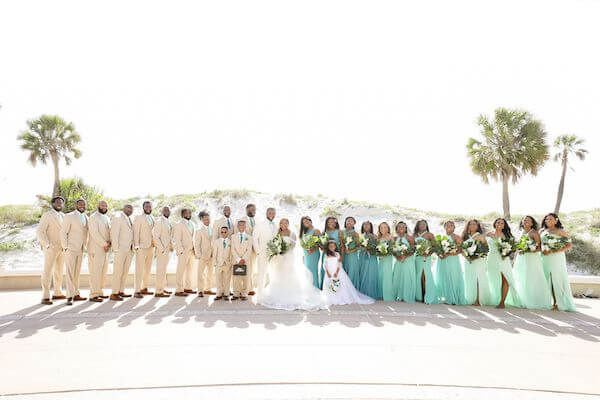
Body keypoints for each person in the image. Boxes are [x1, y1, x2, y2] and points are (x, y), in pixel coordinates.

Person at [258, 219, 327, 311]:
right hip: (279, 257)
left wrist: (284, 250)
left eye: (285, 223)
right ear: (280, 224)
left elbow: (293, 245)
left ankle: (291, 292)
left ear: (288, 224)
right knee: (279, 273)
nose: (284, 224)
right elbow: (274, 244)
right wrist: (277, 251)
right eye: (282, 223)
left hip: (289, 256)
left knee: (289, 273)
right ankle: (279, 292)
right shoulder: (277, 233)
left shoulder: (292, 233)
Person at [513, 216, 552, 310]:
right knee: (520, 277)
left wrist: (530, 249)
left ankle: (532, 300)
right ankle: (522, 300)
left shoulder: (534, 233)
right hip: (521, 258)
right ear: (522, 222)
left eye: (528, 221)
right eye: (524, 220)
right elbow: (517, 247)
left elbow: (539, 248)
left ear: (532, 223)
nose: (526, 222)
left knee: (531, 277)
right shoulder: (521, 232)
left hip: (531, 258)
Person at [540, 213, 576, 311]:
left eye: (551, 219)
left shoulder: (561, 231)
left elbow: (569, 245)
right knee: (545, 278)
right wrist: (542, 250)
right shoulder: (542, 231)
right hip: (544, 257)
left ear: (556, 220)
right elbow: (540, 244)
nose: (548, 221)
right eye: (547, 219)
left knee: (557, 278)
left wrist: (554, 250)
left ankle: (558, 302)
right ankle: (547, 301)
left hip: (556, 257)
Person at [322, 241, 375, 305]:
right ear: (328, 247)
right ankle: (331, 298)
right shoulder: (326, 255)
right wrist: (327, 272)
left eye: (333, 246)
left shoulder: (337, 254)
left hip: (337, 271)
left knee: (339, 284)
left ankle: (339, 298)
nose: (332, 247)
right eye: (330, 246)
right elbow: (325, 264)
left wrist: (337, 272)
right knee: (329, 284)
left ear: (335, 247)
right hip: (329, 272)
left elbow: (339, 264)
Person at [36, 196, 66, 305]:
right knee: (47, 271)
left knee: (59, 271)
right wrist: (47, 245)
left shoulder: (63, 216)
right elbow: (40, 231)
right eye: (57, 202)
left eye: (61, 202)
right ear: (53, 204)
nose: (59, 204)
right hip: (51, 248)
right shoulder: (47, 215)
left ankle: (58, 292)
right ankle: (45, 295)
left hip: (62, 248)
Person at [486, 218, 522, 308]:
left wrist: (506, 251)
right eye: (498, 222)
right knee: (493, 279)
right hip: (491, 258)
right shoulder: (488, 234)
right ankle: (494, 298)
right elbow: (483, 246)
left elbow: (512, 248)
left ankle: (502, 302)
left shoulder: (507, 236)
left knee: (505, 278)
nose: (500, 224)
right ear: (495, 223)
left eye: (502, 223)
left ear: (504, 225)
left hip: (503, 259)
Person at [60, 198, 89, 305]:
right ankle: (69, 296)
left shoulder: (86, 217)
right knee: (70, 272)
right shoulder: (69, 216)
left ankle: (76, 294)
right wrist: (65, 247)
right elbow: (63, 232)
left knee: (77, 273)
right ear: (76, 205)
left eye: (83, 204)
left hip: (81, 249)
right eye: (80, 204)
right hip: (71, 248)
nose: (82, 205)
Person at [461, 219, 492, 306]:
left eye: (475, 224)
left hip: (479, 260)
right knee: (470, 278)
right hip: (468, 260)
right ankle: (470, 298)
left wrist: (477, 255)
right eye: (471, 224)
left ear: (478, 226)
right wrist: (467, 257)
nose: (473, 226)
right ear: (468, 226)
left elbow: (486, 249)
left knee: (479, 278)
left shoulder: (480, 236)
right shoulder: (465, 237)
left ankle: (478, 300)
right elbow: (461, 249)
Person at [435, 220, 465, 305]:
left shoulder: (457, 237)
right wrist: (439, 254)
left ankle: (453, 297)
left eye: (451, 225)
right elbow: (437, 248)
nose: (449, 226)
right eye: (447, 225)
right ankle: (444, 296)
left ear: (454, 227)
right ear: (444, 227)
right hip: (442, 259)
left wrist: (449, 254)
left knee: (452, 277)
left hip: (452, 259)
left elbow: (461, 250)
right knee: (443, 276)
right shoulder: (441, 236)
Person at [87, 200, 111, 302]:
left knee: (103, 272)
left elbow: (109, 232)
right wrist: (105, 244)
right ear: (98, 206)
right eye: (102, 205)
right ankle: (93, 294)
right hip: (96, 249)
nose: (104, 207)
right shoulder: (93, 217)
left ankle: (100, 291)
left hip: (105, 249)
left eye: (105, 205)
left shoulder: (106, 217)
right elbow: (94, 233)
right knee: (95, 272)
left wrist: (109, 244)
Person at [110, 204, 134, 301]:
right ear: (123, 208)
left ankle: (121, 291)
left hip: (129, 249)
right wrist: (115, 248)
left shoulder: (129, 219)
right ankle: (114, 293)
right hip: (120, 249)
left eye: (131, 209)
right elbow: (114, 233)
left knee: (124, 272)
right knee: (118, 271)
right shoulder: (118, 217)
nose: (129, 210)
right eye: (128, 208)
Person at [253, 207, 278, 296]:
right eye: (270, 213)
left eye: (273, 213)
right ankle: (260, 294)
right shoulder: (260, 224)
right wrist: (258, 252)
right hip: (262, 253)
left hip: (273, 254)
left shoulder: (276, 225)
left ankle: (272, 293)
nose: (272, 214)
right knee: (261, 273)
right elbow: (255, 239)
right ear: (266, 214)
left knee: (273, 273)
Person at [133, 201, 155, 298]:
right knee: (139, 270)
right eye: (146, 206)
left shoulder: (152, 218)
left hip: (151, 247)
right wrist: (137, 246)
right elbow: (136, 232)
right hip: (141, 247)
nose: (148, 208)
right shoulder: (139, 218)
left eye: (149, 206)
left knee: (147, 269)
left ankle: (144, 288)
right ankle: (137, 290)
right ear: (143, 207)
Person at [413, 220, 438, 304]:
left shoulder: (430, 235)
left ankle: (427, 295)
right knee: (418, 275)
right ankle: (418, 295)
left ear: (426, 225)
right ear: (418, 226)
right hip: (417, 258)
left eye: (424, 224)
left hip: (426, 258)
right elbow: (412, 247)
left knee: (425, 275)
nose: (422, 225)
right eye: (421, 224)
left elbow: (435, 247)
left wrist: (428, 253)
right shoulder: (414, 235)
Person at [391, 221, 416, 303]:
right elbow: (392, 250)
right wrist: (397, 257)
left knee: (407, 277)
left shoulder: (410, 238)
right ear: (396, 228)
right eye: (399, 226)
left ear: (406, 228)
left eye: (403, 226)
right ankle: (398, 295)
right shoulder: (394, 238)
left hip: (408, 260)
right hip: (398, 260)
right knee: (397, 276)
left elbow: (413, 250)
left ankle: (407, 295)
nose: (401, 228)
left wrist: (405, 256)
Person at [236, 204, 257, 295]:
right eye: (251, 209)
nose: (253, 211)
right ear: (247, 210)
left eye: (254, 209)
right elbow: (237, 236)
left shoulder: (256, 221)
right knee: (241, 269)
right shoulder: (240, 220)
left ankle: (249, 288)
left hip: (253, 250)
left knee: (251, 269)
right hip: (242, 250)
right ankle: (240, 289)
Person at [173, 208, 195, 297]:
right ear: (182, 214)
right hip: (183, 251)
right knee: (180, 271)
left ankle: (188, 287)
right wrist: (181, 251)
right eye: (186, 213)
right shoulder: (179, 224)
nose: (188, 214)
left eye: (189, 213)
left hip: (191, 251)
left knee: (189, 270)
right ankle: (179, 290)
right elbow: (177, 239)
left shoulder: (192, 224)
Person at [152, 206, 173, 298]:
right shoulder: (159, 221)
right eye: (165, 210)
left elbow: (168, 236)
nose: (167, 211)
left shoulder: (168, 221)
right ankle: (158, 291)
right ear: (162, 211)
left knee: (163, 270)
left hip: (167, 250)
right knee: (160, 271)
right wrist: (162, 249)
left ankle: (163, 288)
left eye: (168, 210)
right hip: (162, 251)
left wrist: (171, 246)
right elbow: (156, 237)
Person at [193, 210, 215, 297]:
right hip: (203, 255)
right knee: (200, 273)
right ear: (201, 220)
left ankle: (208, 289)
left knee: (210, 273)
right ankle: (200, 290)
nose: (207, 220)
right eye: (205, 219)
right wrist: (199, 255)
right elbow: (196, 244)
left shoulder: (213, 229)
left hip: (212, 255)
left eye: (208, 219)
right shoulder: (199, 231)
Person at [231, 220, 252, 300]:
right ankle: (236, 293)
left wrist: (243, 259)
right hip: (236, 260)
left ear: (245, 226)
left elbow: (249, 250)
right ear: (237, 226)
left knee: (245, 277)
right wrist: (238, 259)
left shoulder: (249, 237)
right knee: (236, 277)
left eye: (243, 225)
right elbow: (232, 249)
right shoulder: (233, 237)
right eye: (240, 225)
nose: (241, 227)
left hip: (245, 260)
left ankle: (244, 293)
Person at [358, 221, 378, 298]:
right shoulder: (360, 236)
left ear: (371, 226)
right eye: (364, 225)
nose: (366, 226)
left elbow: (377, 247)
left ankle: (371, 292)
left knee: (371, 273)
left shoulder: (374, 236)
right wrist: (363, 248)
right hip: (362, 256)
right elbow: (358, 246)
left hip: (372, 257)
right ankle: (362, 292)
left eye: (368, 225)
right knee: (362, 273)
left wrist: (370, 249)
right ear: (362, 227)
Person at [299, 216, 321, 288]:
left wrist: (313, 249)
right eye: (304, 222)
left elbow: (320, 243)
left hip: (313, 254)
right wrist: (303, 256)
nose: (306, 223)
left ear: (311, 221)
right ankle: (309, 288)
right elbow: (303, 244)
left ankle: (315, 288)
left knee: (313, 270)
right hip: (306, 254)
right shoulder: (304, 232)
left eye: (307, 221)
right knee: (307, 271)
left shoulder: (316, 230)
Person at [212, 226, 233, 300]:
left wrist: (230, 262)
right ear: (220, 233)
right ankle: (219, 293)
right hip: (219, 263)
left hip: (227, 263)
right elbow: (215, 253)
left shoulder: (230, 242)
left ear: (228, 232)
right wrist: (214, 263)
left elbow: (231, 253)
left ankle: (226, 294)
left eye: (225, 232)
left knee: (227, 279)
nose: (223, 233)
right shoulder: (217, 241)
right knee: (218, 279)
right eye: (222, 232)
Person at [340, 216, 361, 288]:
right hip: (344, 255)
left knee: (352, 272)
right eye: (348, 220)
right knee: (345, 271)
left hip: (353, 256)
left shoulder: (356, 234)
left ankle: (352, 289)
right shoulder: (341, 232)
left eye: (351, 221)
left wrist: (351, 250)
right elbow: (341, 244)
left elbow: (359, 246)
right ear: (345, 222)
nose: (349, 222)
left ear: (354, 223)